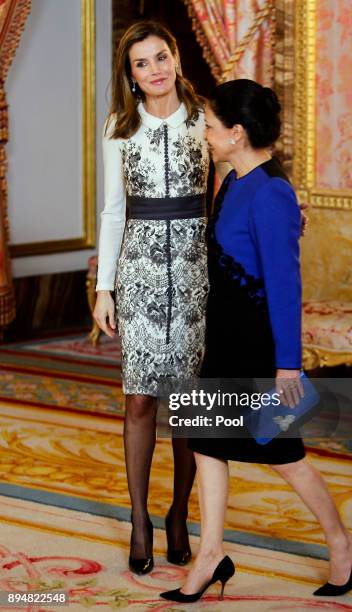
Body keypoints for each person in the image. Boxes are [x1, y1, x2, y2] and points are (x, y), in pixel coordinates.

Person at [160, 80, 352, 603]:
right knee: (206, 444)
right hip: (222, 342)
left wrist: (289, 366)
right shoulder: (233, 181)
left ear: (236, 133)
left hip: (259, 349)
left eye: (210, 126)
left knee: (283, 452)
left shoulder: (272, 191)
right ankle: (210, 554)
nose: (204, 134)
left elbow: (284, 283)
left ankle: (343, 541)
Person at [93, 20, 210, 575]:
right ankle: (139, 519)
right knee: (139, 399)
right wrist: (103, 288)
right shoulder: (120, 126)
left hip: (195, 273)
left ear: (176, 58)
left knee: (187, 404)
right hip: (138, 272)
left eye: (161, 57)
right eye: (142, 63)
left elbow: (238, 177)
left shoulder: (205, 118)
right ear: (131, 76)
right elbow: (113, 212)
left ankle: (179, 513)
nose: (154, 69)